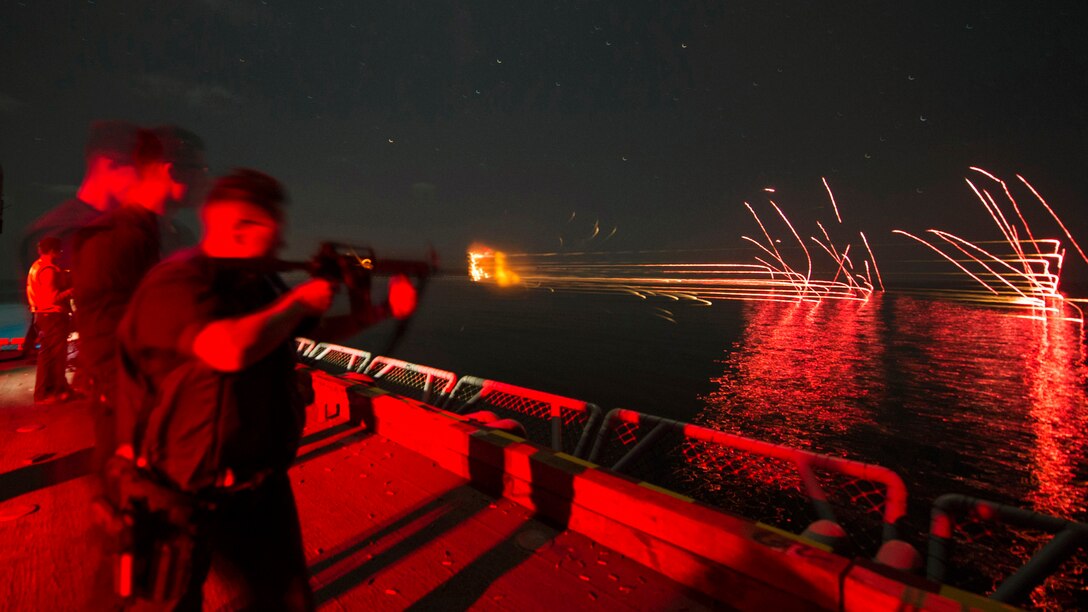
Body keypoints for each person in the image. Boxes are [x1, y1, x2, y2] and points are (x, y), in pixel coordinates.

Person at [114, 168, 417, 609]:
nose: (280, 246)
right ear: (241, 227)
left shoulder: (259, 282)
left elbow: (299, 331)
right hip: (180, 493)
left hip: (259, 489)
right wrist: (297, 302)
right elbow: (225, 348)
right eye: (273, 235)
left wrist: (381, 310)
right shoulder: (177, 281)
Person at [72, 126, 207, 476]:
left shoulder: (180, 236)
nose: (206, 180)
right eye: (200, 170)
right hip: (134, 421)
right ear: (171, 169)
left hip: (177, 411)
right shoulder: (111, 238)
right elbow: (104, 346)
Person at [19, 120, 140, 358]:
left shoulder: (115, 225)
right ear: (110, 164)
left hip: (62, 322)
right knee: (53, 354)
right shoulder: (63, 230)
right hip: (73, 328)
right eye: (139, 170)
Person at [26, 236, 74, 403]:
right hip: (52, 315)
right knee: (57, 357)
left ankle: (43, 393)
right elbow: (52, 298)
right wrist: (71, 291)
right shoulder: (48, 270)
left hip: (41, 315)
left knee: (46, 357)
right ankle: (57, 392)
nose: (61, 253)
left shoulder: (36, 266)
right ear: (53, 251)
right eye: (59, 250)